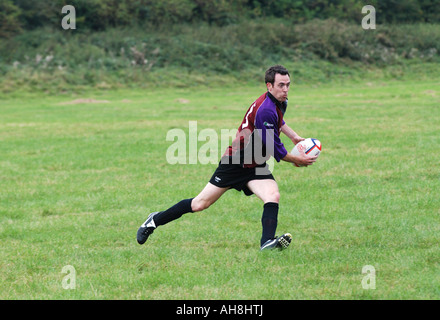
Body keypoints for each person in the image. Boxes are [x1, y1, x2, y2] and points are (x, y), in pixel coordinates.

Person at [137, 65, 317, 251]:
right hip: (235, 162)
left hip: (256, 163)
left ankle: (267, 242)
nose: (285, 90)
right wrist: (298, 159)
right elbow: (276, 149)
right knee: (200, 204)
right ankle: (153, 221)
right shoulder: (265, 110)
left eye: (288, 85)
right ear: (269, 86)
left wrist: (294, 136)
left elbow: (279, 121)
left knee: (272, 195)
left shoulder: (280, 102)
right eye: (281, 85)